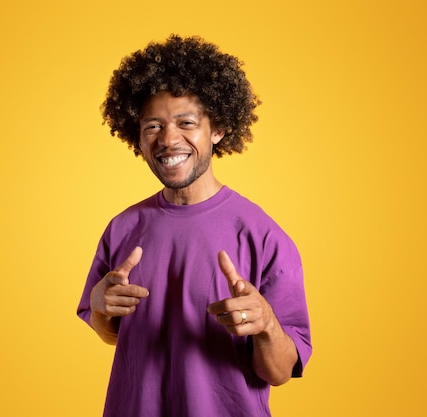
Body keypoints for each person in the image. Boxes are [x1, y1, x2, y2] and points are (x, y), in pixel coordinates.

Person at [77, 34, 311, 417]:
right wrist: (101, 311)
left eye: (186, 122)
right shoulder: (122, 228)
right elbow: (112, 335)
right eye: (153, 126)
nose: (168, 139)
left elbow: (281, 371)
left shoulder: (263, 235)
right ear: (136, 136)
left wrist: (266, 323)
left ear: (217, 129)